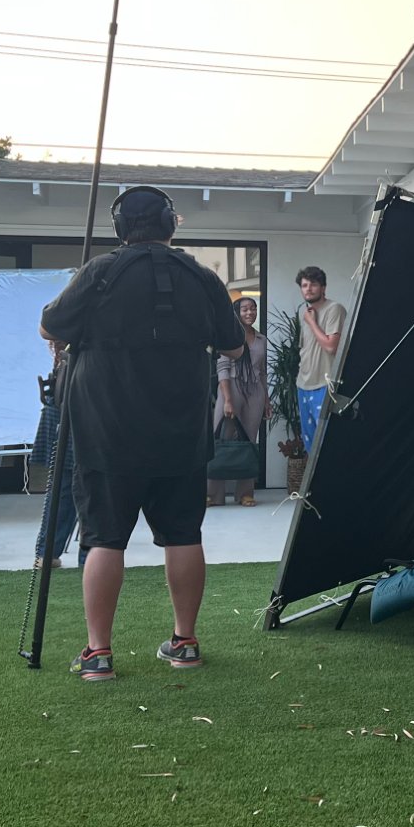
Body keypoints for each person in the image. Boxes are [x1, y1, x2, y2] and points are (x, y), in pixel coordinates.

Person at [39, 186, 243, 681]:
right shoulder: (202, 276)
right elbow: (234, 348)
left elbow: (51, 328)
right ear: (171, 225)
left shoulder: (100, 272)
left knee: (105, 537)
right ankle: (185, 642)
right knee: (183, 533)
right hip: (181, 432)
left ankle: (98, 654)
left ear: (119, 228)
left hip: (106, 432)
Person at [208, 296, 269, 507]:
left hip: (255, 392)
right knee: (220, 439)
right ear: (237, 312)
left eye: (253, 309)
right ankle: (214, 495)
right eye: (245, 309)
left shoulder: (261, 339)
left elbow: (262, 373)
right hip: (231, 387)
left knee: (249, 441)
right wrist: (227, 400)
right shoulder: (229, 337)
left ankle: (245, 493)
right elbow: (222, 368)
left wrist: (267, 401)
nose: (250, 313)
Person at [31, 339, 86, 570]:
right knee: (90, 492)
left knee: (64, 490)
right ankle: (88, 556)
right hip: (78, 419)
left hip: (68, 414)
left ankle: (48, 553)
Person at [294, 266, 346, 453]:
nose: (308, 289)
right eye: (304, 285)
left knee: (327, 443)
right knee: (311, 446)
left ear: (323, 287)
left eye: (313, 284)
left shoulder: (334, 309)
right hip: (303, 384)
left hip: (325, 386)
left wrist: (312, 323)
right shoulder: (305, 313)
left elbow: (331, 347)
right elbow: (306, 350)